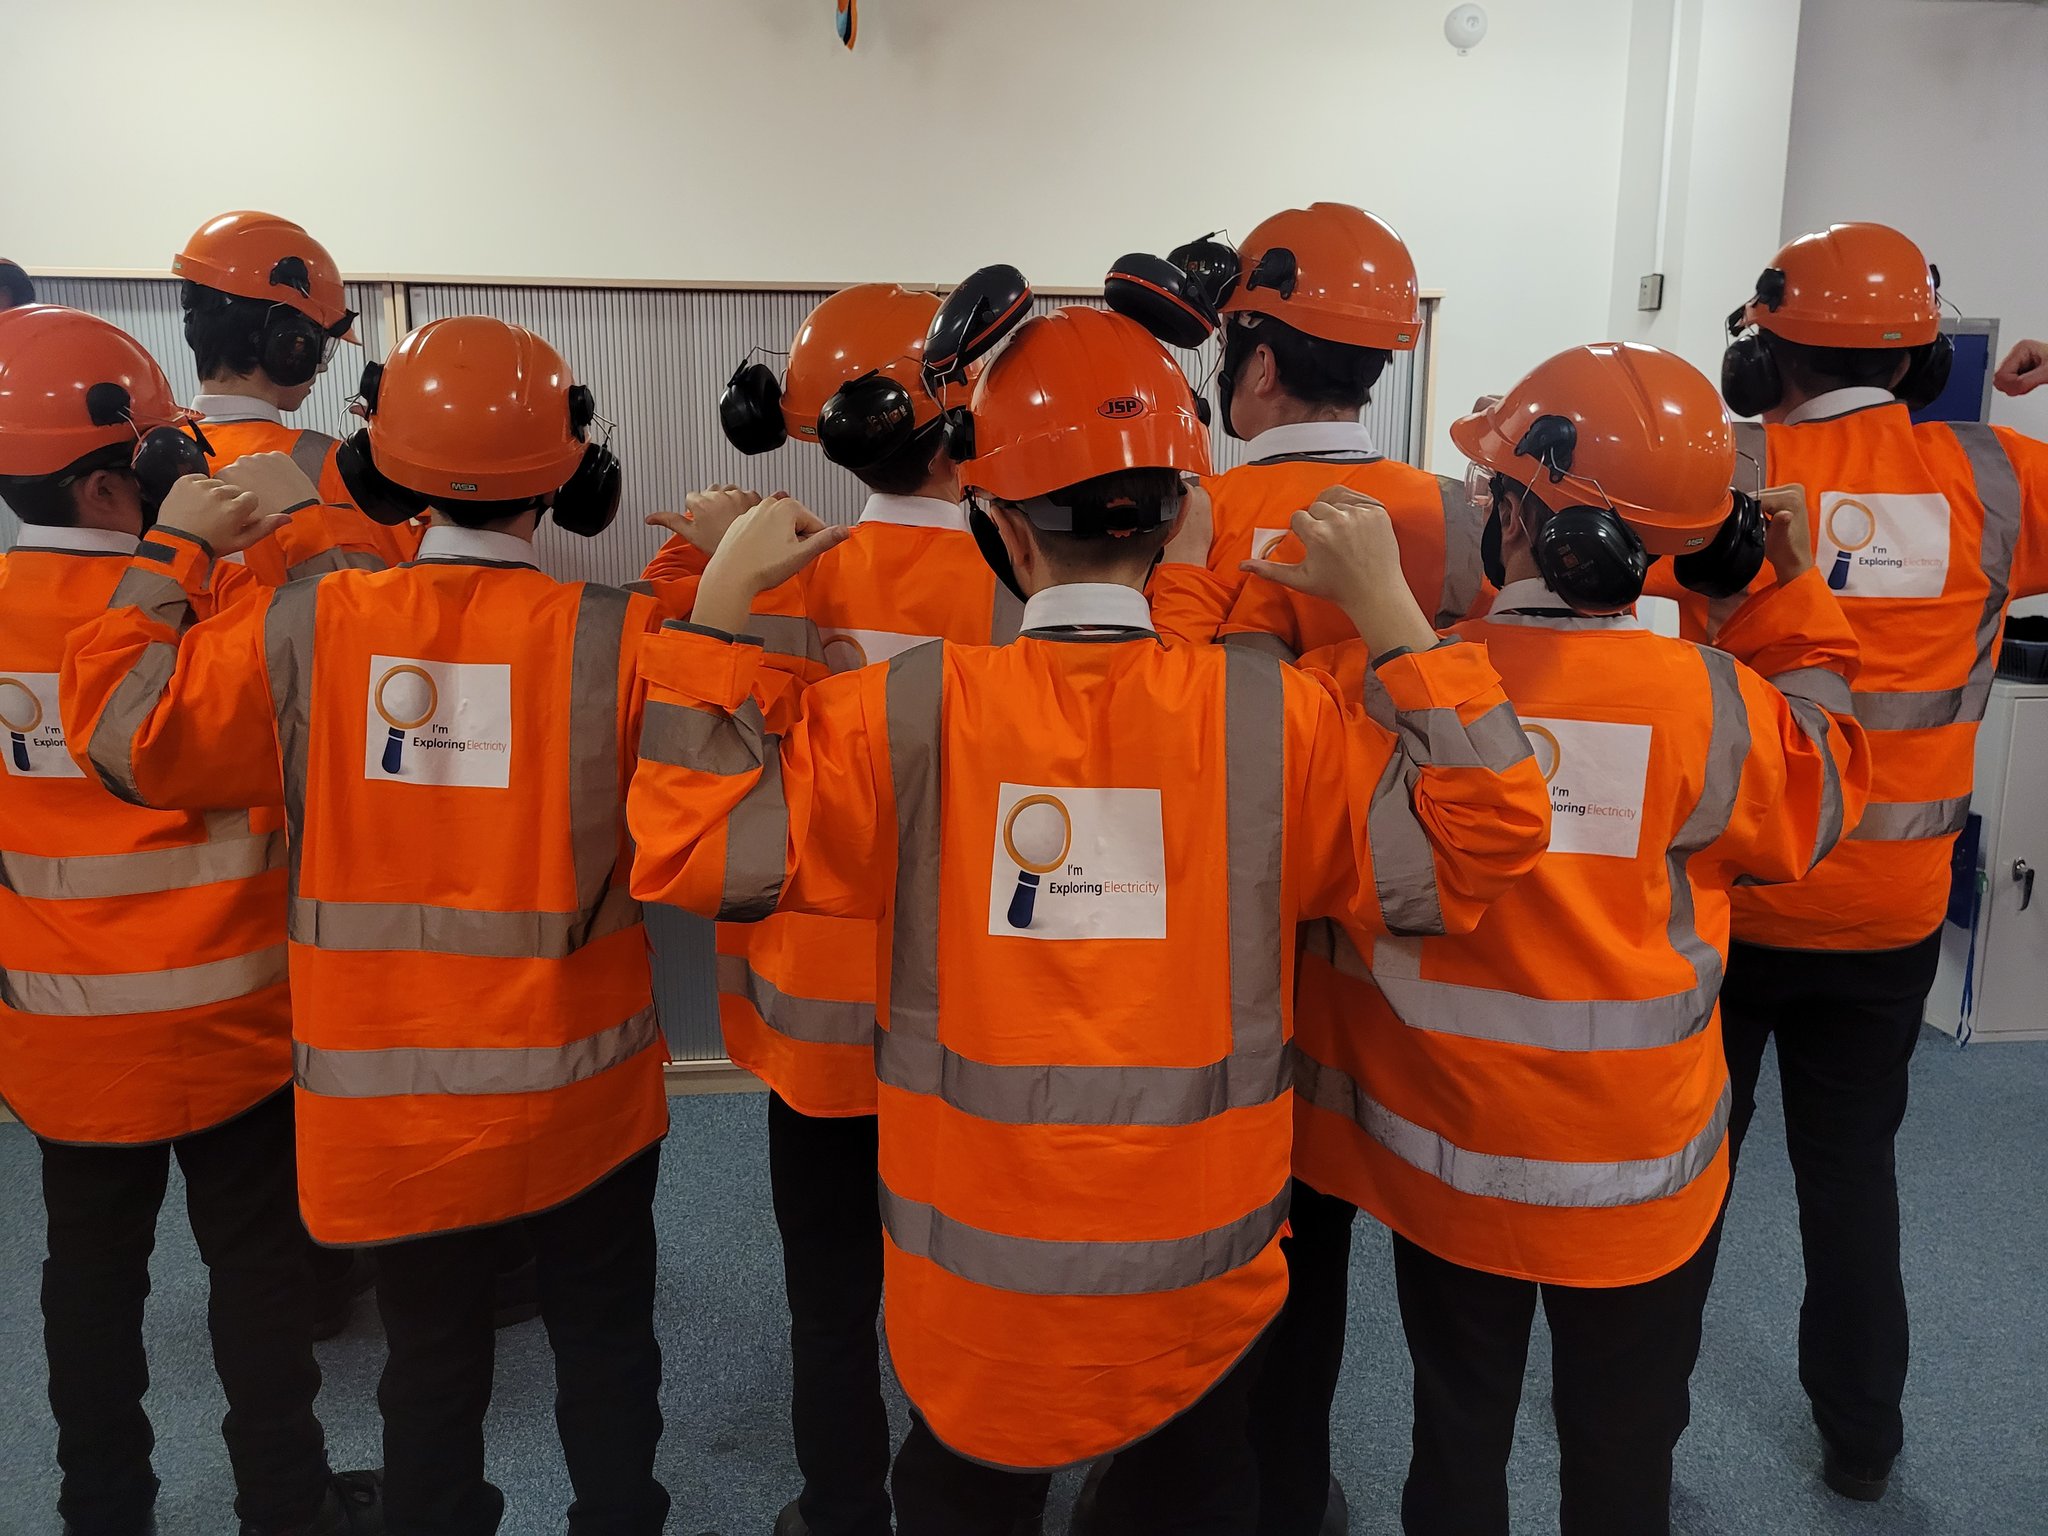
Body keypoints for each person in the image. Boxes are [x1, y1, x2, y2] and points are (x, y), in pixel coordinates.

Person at [626, 277, 1551, 1536]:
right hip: (1204, 1270)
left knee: (963, 1498)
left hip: (974, 1279)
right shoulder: (1277, 720)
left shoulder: (898, 718)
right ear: (1177, 515)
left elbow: (692, 848)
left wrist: (716, 611)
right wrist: (1389, 613)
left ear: (997, 527)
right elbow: (1480, 845)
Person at [59, 315, 753, 1536]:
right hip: (581, 1096)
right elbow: (719, 819)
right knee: (605, 1344)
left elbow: (127, 735)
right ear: (571, 476)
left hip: (389, 1106)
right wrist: (717, 587)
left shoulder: (301, 626)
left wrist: (173, 552)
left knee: (428, 1360)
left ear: (381, 469)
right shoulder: (622, 637)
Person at [1252, 341, 1873, 1536]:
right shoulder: (1722, 704)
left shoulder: (1370, 689)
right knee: (1624, 1447)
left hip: (1450, 1155)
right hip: (1643, 1169)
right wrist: (1781, 593)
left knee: (1455, 1436)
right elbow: (1825, 791)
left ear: (1516, 518)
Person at [1661, 222, 2048, 1502]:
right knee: (1850, 1176)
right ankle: (1861, 1443)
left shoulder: (1716, 469)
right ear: (1921, 358)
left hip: (1730, 896)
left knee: (1689, 1171)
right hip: (1890, 913)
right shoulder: (1998, 478)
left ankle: (1635, 1410)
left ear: (1760, 353)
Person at [641, 283, 1026, 1536]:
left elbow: (674, 700)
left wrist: (709, 558)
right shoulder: (1028, 584)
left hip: (817, 1021)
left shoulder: (765, 580)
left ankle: (840, 1507)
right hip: (977, 1015)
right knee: (973, 1277)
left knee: (827, 1295)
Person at [0, 302, 380, 1536]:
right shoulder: (218, 613)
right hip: (233, 1021)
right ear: (114, 480)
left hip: (62, 1037)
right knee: (259, 1277)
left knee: (86, 1280)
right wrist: (274, 521)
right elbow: (351, 640)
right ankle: (285, 1504)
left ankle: (102, 1507)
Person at [1126, 203, 1488, 653]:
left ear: (1263, 367)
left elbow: (1157, 677)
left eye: (1225, 347)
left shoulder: (1188, 517)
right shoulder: (1459, 515)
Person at [175, 210, 421, 584]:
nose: (320, 368)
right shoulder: (331, 467)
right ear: (292, 345)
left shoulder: (137, 465)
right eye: (319, 347)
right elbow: (405, 589)